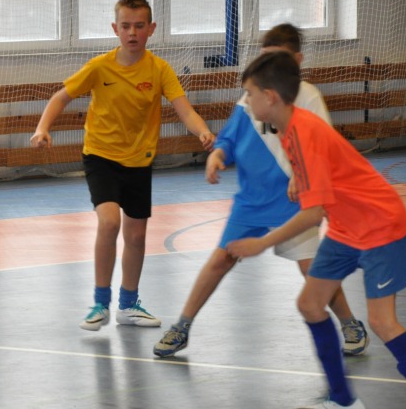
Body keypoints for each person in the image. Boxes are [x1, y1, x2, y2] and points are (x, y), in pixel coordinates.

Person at [227, 51, 406, 409]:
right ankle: (342, 401)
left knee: (382, 322)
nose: (246, 101)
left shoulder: (304, 131)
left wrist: (262, 242)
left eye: (250, 93)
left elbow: (312, 215)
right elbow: (320, 183)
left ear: (270, 97)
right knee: (311, 304)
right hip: (346, 227)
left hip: (380, 226)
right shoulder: (288, 128)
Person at [153, 24, 368, 358]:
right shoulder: (249, 96)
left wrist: (302, 176)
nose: (269, 68)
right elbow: (230, 135)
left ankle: (349, 323)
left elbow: (323, 145)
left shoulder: (308, 97)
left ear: (297, 60)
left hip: (293, 202)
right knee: (220, 259)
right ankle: (182, 325)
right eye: (264, 59)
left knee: (313, 270)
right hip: (252, 202)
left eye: (277, 59)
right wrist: (218, 154)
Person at [30, 0, 215, 331]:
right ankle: (100, 303)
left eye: (139, 26)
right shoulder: (100, 67)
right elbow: (61, 97)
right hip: (100, 156)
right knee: (109, 222)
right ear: (115, 29)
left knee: (137, 235)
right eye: (126, 26)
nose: (132, 33)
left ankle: (128, 305)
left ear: (151, 29)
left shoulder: (159, 69)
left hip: (139, 161)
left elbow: (184, 109)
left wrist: (202, 131)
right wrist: (42, 128)